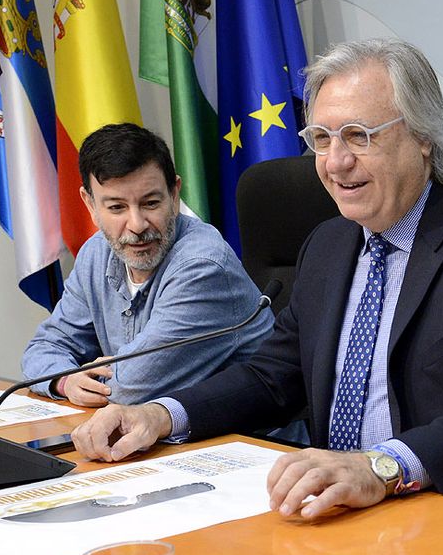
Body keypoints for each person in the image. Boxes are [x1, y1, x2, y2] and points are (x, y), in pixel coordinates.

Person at [72, 38, 443, 519]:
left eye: (358, 136)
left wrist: (381, 468)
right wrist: (162, 416)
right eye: (321, 138)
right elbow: (271, 378)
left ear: (423, 139)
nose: (335, 162)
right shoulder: (329, 244)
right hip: (344, 512)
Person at [21, 123, 274, 407]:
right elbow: (43, 348)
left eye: (151, 203)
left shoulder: (203, 266)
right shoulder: (96, 253)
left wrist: (93, 375)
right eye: (116, 208)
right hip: (152, 436)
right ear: (90, 205)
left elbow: (131, 389)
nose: (137, 225)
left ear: (174, 194)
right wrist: (66, 380)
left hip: (243, 443)